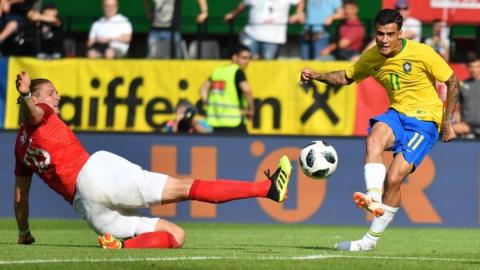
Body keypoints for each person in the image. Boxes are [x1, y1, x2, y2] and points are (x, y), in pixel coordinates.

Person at [13, 71, 292, 249]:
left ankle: (121, 248)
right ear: (35, 100)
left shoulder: (19, 147)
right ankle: (266, 189)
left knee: (175, 236)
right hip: (97, 174)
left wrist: (24, 232)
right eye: (51, 93)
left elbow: (20, 198)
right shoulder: (42, 115)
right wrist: (26, 95)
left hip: (87, 207)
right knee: (185, 188)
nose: (57, 96)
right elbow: (35, 114)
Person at [300, 8, 459, 251]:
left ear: (400, 34)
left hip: (425, 121)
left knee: (394, 179)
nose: (384, 39)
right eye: (380, 34)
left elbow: (452, 81)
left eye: (389, 34)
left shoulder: (422, 52)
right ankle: (373, 197)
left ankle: (369, 241)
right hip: (397, 114)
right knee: (374, 138)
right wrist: (316, 75)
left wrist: (447, 122)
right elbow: (345, 77)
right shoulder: (372, 56)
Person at [199, 45, 254, 134]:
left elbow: (202, 89)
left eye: (249, 58)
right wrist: (251, 109)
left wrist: (208, 104)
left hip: (215, 121)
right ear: (234, 57)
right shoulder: (237, 71)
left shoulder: (217, 71)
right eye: (244, 58)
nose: (247, 61)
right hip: (234, 122)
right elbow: (247, 90)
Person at [224, 0, 304, 60]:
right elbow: (243, 5)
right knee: (247, 60)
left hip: (273, 38)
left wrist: (298, 13)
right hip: (251, 34)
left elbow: (300, 1)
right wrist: (232, 14)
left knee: (268, 65)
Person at [143, 0, 208, 59]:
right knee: (152, 58)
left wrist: (204, 12)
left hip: (172, 30)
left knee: (175, 58)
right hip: (156, 29)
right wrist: (148, 11)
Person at [452, 57, 480, 138]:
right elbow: (457, 106)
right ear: (468, 68)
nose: (473, 69)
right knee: (449, 130)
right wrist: (457, 120)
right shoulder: (463, 84)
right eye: (471, 66)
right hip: (467, 126)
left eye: (477, 67)